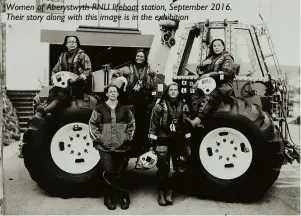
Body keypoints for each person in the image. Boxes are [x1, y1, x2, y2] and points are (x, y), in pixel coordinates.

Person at [89, 85, 135, 210]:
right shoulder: (99, 108)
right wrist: (100, 139)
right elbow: (92, 124)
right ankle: (110, 197)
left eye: (115, 91)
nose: (113, 93)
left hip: (121, 147)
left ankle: (123, 196)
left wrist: (126, 138)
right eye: (110, 91)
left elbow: (131, 124)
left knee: (119, 172)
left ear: (118, 94)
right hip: (104, 147)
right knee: (109, 172)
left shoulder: (125, 109)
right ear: (107, 94)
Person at [148, 82, 192, 206]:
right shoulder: (159, 106)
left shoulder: (184, 105)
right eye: (171, 90)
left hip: (178, 140)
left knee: (181, 169)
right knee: (163, 168)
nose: (173, 91)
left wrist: (187, 143)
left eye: (175, 89)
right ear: (167, 92)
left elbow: (187, 124)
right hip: (163, 139)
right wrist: (151, 144)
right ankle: (161, 193)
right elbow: (153, 126)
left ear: (178, 92)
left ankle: (170, 191)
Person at [36, 35, 92, 118]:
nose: (71, 44)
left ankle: (45, 111)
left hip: (78, 84)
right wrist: (54, 80)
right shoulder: (62, 56)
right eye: (69, 42)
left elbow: (88, 71)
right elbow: (55, 71)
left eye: (74, 42)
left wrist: (78, 79)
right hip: (64, 84)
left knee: (65, 91)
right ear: (66, 44)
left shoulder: (82, 56)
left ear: (77, 44)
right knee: (52, 91)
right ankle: (49, 112)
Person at [114, 49, 157, 152]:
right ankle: (129, 145)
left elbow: (155, 86)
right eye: (138, 56)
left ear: (145, 58)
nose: (139, 58)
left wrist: (154, 99)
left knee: (143, 124)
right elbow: (115, 75)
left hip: (144, 102)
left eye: (142, 56)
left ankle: (142, 147)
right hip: (130, 101)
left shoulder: (150, 71)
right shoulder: (126, 69)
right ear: (134, 57)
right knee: (130, 124)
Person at [189, 38, 235, 127]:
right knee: (194, 93)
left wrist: (210, 75)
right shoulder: (210, 58)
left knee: (210, 96)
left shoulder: (227, 58)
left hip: (223, 85)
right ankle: (195, 116)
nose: (216, 47)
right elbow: (200, 73)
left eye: (219, 45)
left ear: (223, 47)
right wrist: (203, 65)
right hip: (209, 84)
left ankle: (198, 120)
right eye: (214, 46)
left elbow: (226, 73)